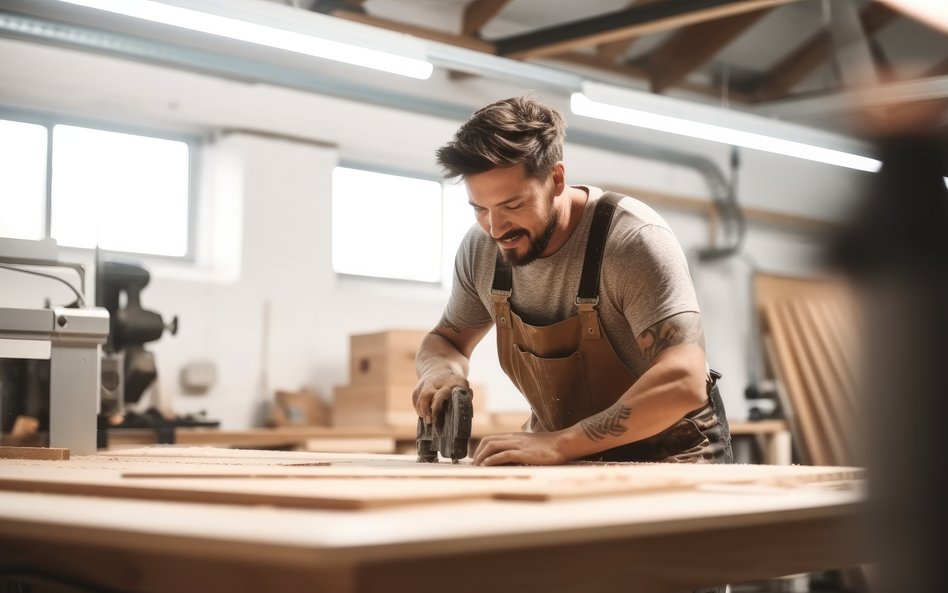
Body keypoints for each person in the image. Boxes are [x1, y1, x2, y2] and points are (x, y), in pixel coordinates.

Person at [413, 95, 732, 468]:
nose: (497, 229)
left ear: (557, 179)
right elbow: (445, 341)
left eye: (513, 205)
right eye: (480, 209)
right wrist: (442, 372)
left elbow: (685, 380)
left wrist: (562, 443)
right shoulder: (483, 249)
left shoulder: (632, 241)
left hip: (673, 453)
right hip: (565, 452)